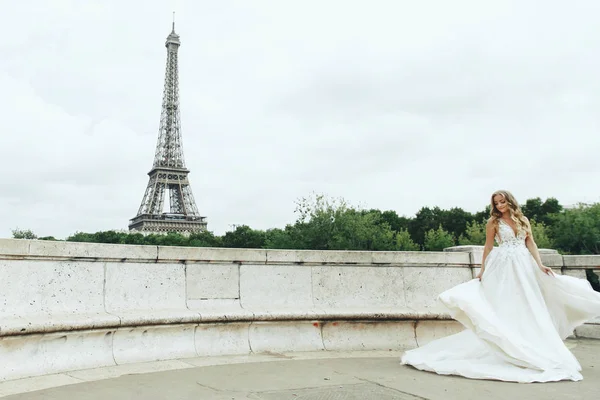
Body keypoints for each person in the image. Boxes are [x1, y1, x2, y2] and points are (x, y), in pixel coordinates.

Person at [400, 190, 600, 383]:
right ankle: (508, 345)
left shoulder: (523, 220)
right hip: (504, 265)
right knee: (506, 303)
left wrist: (539, 264)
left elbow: (531, 243)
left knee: (529, 304)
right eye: (496, 203)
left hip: (524, 264)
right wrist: (482, 269)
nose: (499, 205)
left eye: (502, 201)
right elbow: (488, 246)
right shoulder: (493, 222)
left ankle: (528, 343)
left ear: (510, 201)